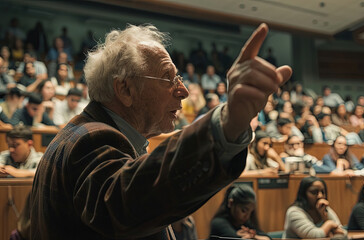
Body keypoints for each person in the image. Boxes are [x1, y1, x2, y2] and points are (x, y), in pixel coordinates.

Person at [30, 23, 292, 239]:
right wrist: (226, 124)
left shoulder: (84, 132)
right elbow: (128, 204)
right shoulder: (92, 140)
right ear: (125, 90)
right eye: (169, 78)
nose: (184, 91)